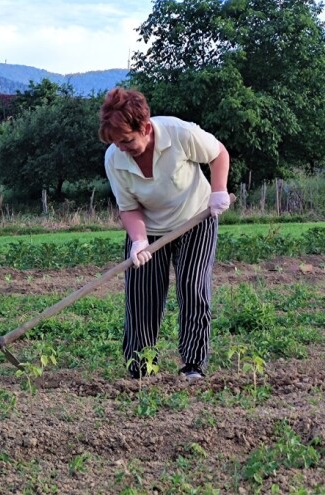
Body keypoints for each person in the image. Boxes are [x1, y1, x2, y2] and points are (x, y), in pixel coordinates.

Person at [98, 87, 231, 381]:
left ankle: (193, 365)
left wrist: (218, 190)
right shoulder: (114, 159)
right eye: (116, 143)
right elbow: (128, 207)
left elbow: (218, 153)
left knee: (193, 287)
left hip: (195, 219)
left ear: (145, 127)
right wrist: (138, 241)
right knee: (141, 296)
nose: (122, 148)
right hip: (150, 230)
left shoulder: (180, 133)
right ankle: (142, 368)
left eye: (127, 140)